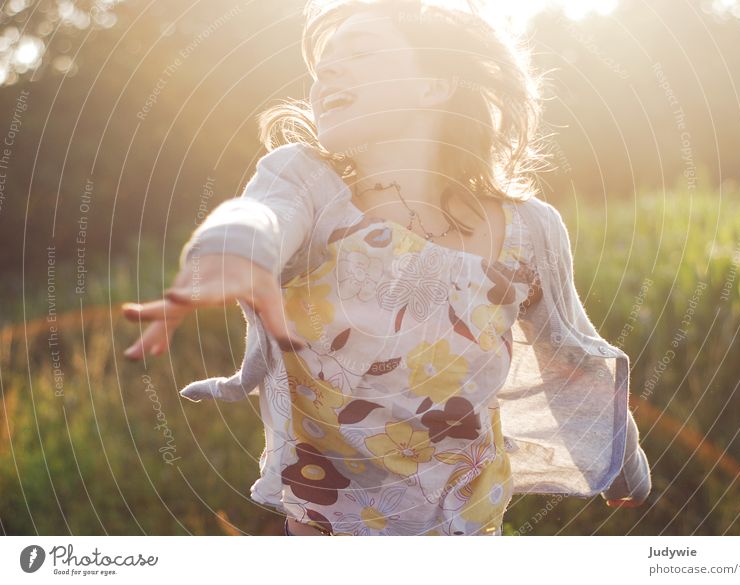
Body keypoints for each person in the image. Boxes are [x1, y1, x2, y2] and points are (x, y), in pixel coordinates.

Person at [122, 0, 651, 536]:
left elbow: (573, 355)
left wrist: (623, 468)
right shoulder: (308, 185)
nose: (327, 69)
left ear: (435, 84)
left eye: (360, 51)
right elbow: (260, 217)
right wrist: (231, 255)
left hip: (469, 528)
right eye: (322, 64)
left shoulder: (528, 230)